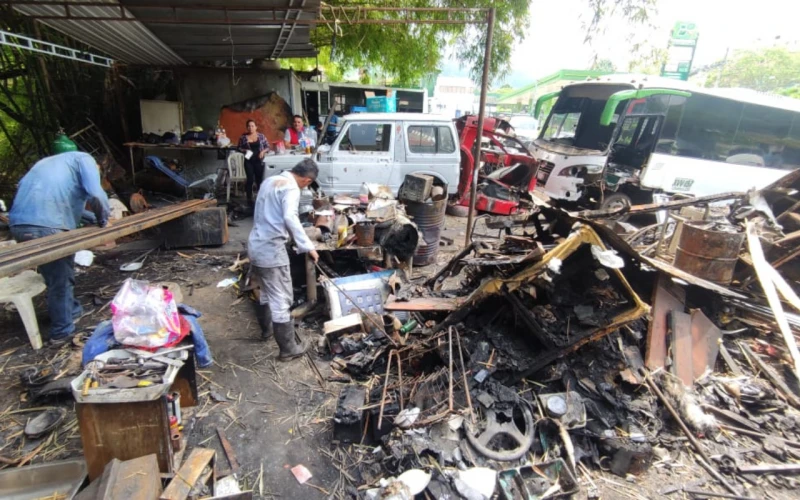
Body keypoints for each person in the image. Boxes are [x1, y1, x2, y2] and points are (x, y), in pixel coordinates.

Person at [9, 151, 111, 342]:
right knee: (60, 279)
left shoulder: (48, 163)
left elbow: (68, 205)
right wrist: (104, 220)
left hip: (19, 225)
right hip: (47, 227)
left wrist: (92, 218)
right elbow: (96, 194)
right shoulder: (85, 160)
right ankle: (62, 332)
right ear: (98, 166)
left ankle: (70, 310)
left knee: (55, 273)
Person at [247, 158, 320, 360]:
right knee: (281, 298)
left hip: (256, 245)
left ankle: (266, 330)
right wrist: (308, 247)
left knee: (264, 291)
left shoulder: (270, 181)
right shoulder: (291, 188)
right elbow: (290, 217)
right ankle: (288, 349)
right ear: (306, 180)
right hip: (271, 249)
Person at [238, 119, 270, 205]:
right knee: (250, 179)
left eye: (252, 126)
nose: (250, 128)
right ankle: (249, 199)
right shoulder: (243, 137)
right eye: (249, 126)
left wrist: (262, 152)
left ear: (256, 127)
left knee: (259, 179)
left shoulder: (261, 136)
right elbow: (239, 148)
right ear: (247, 128)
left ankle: (260, 198)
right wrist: (245, 150)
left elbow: (267, 146)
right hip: (248, 160)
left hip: (258, 160)